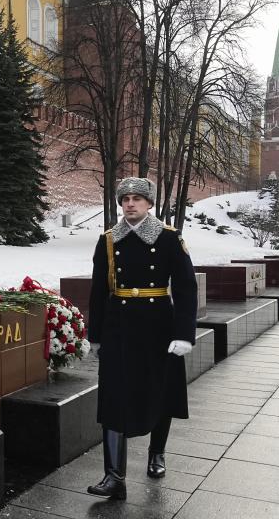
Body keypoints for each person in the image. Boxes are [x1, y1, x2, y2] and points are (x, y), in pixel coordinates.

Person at [85, 177, 198, 501]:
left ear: (149, 203)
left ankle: (157, 452)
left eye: (137, 198)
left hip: (158, 326)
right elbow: (98, 291)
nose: (130, 204)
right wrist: (96, 336)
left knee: (159, 392)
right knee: (113, 397)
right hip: (119, 327)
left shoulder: (168, 239)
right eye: (125, 199)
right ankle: (114, 476)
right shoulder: (108, 241)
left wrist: (183, 334)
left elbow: (186, 287)